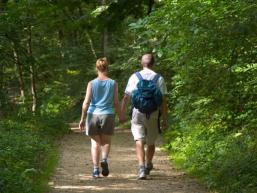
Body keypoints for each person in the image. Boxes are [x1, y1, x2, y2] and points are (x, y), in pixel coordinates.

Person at [121, 53, 168, 180]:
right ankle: (148, 164)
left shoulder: (134, 77)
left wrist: (122, 113)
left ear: (142, 63)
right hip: (153, 113)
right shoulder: (159, 78)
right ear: (153, 63)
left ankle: (141, 167)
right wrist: (164, 119)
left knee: (139, 140)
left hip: (137, 112)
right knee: (151, 142)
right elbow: (163, 100)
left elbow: (126, 97)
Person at [79, 57, 122, 178]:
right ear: (107, 68)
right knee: (106, 142)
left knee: (95, 143)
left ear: (96, 68)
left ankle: (95, 170)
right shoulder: (113, 83)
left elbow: (86, 102)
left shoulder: (91, 83)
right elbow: (116, 102)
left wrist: (82, 118)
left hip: (93, 115)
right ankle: (104, 159)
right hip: (108, 114)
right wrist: (121, 116)